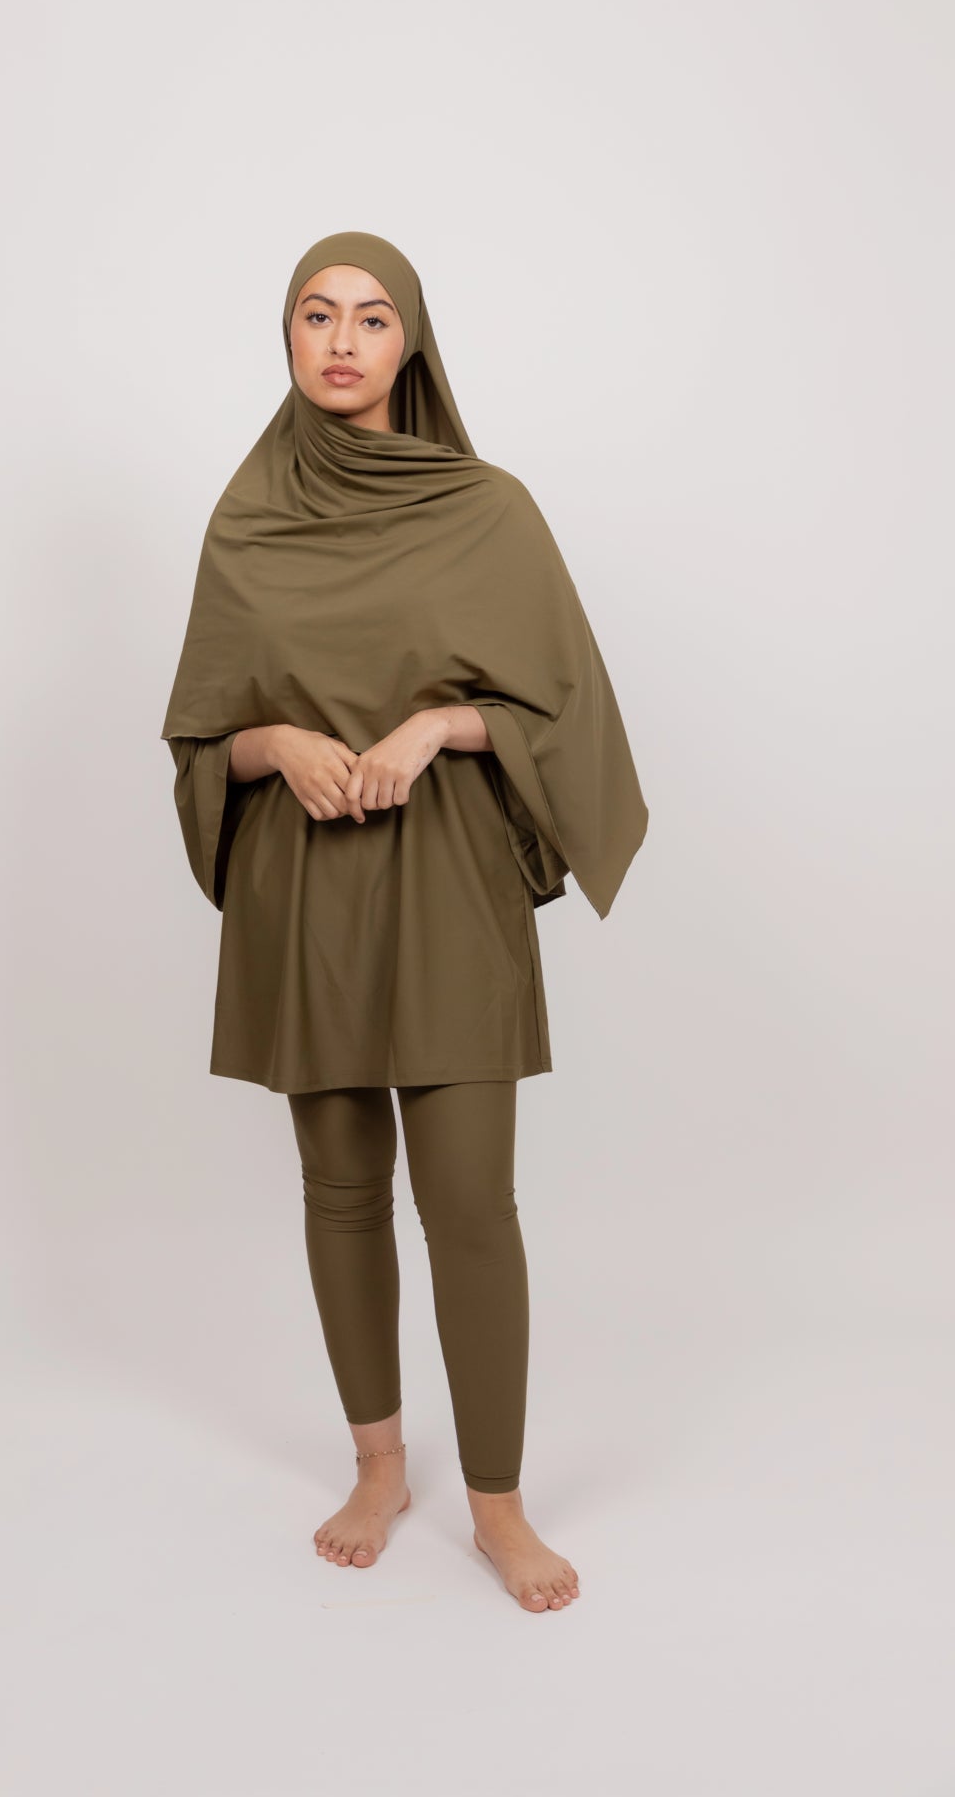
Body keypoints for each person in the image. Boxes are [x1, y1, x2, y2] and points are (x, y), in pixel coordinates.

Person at [160, 231, 649, 1613]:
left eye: (372, 318)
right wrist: (274, 743)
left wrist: (440, 724)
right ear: (286, 334)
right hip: (304, 882)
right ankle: (378, 1468)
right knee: (339, 1190)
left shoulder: (487, 510)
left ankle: (497, 1506)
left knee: (469, 1200)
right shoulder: (247, 518)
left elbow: (567, 713)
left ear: (411, 341)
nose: (341, 340)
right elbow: (202, 738)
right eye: (316, 314)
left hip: (444, 879)